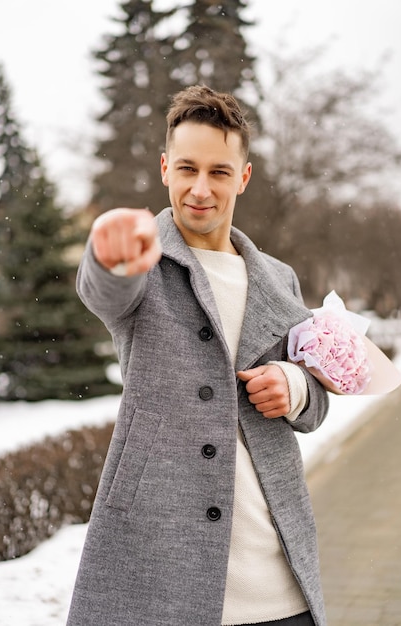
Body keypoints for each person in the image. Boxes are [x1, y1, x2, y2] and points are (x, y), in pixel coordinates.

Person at [67, 85, 329, 626]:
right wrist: (107, 253)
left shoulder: (279, 279)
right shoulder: (144, 263)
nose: (200, 189)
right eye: (187, 168)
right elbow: (104, 292)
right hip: (163, 570)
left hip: (279, 578)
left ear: (244, 177)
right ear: (165, 168)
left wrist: (295, 385)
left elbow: (317, 396)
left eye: (219, 171)